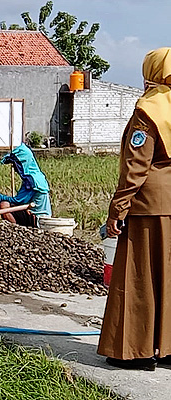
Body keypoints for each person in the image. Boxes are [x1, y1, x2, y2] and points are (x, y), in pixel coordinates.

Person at [97, 47, 171, 372]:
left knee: (139, 277)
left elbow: (136, 168)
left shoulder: (149, 109)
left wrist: (117, 210)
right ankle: (167, 348)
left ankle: (137, 350)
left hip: (148, 207)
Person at [0, 144, 51, 226]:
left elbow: (18, 201)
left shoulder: (31, 180)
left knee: (4, 205)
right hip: (36, 213)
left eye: (15, 165)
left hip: (37, 218)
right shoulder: (37, 176)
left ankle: (16, 231)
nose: (15, 169)